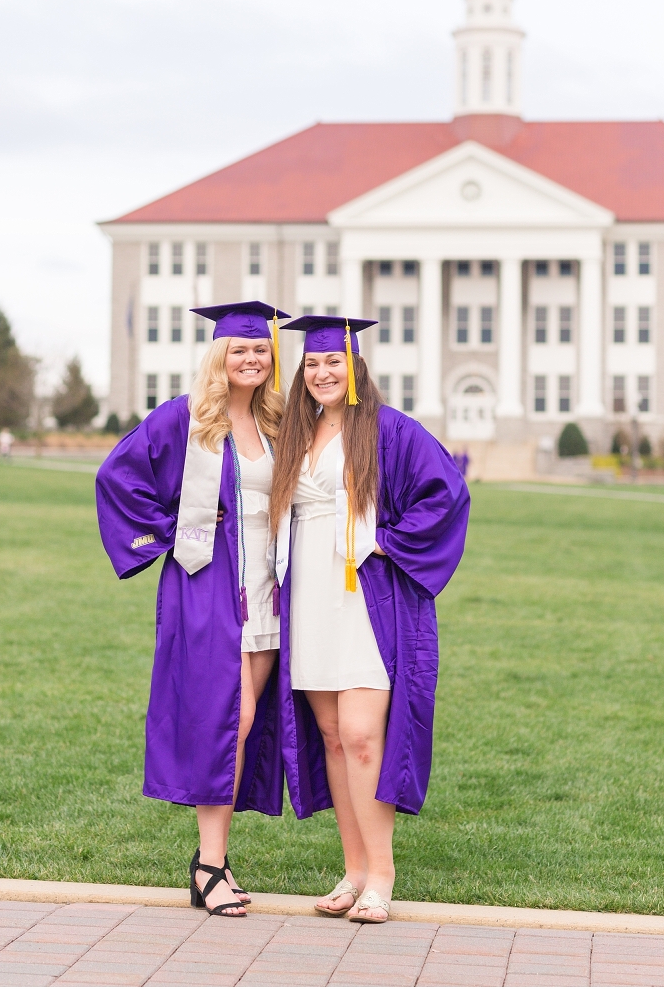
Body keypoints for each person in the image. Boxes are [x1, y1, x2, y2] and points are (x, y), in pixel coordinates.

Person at [270, 316, 470, 923]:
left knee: (361, 737)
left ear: (354, 367)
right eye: (312, 364)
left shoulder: (389, 430)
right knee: (332, 737)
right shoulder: (295, 433)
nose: (322, 372)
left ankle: (381, 876)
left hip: (364, 596)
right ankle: (353, 871)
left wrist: (386, 541)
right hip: (308, 594)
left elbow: (447, 494)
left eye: (333, 363)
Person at [96, 301, 289, 918]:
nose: (251, 358)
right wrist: (171, 534)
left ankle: (215, 862)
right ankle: (209, 865)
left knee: (245, 721)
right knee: (227, 720)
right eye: (240, 350)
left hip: (269, 589)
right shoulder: (187, 418)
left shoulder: (279, 423)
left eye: (261, 350)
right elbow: (117, 476)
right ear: (219, 356)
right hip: (208, 586)